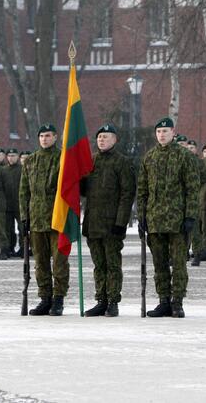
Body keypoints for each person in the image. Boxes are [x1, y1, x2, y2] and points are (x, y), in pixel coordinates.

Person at [137, 117, 199, 318]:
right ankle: (163, 300)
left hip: (177, 220)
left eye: (165, 131)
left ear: (173, 132)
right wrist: (142, 217)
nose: (161, 135)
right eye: (158, 132)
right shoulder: (149, 157)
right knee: (160, 263)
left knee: (179, 262)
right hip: (155, 220)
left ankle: (177, 301)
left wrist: (190, 215)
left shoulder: (184, 156)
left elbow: (192, 188)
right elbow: (142, 190)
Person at [82, 124, 136, 317]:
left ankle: (113, 301)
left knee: (112, 265)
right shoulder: (91, 161)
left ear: (115, 140)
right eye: (99, 137)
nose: (102, 140)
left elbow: (127, 194)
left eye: (106, 137)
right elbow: (83, 191)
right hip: (93, 223)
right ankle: (101, 300)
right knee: (99, 265)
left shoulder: (122, 162)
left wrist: (121, 223)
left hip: (112, 224)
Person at [19, 124, 68, 316]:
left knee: (59, 261)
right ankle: (45, 298)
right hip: (37, 220)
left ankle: (58, 298)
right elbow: (24, 192)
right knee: (40, 262)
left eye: (48, 136)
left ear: (55, 137)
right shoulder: (31, 161)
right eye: (41, 136)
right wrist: (24, 217)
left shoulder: (63, 159)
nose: (44, 139)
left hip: (57, 218)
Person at [3, 148, 23, 256]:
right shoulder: (4, 170)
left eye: (13, 155)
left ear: (18, 157)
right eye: (9, 156)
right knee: (8, 228)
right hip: (7, 204)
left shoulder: (22, 169)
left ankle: (22, 248)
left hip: (19, 203)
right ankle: (9, 248)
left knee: (22, 228)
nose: (11, 158)